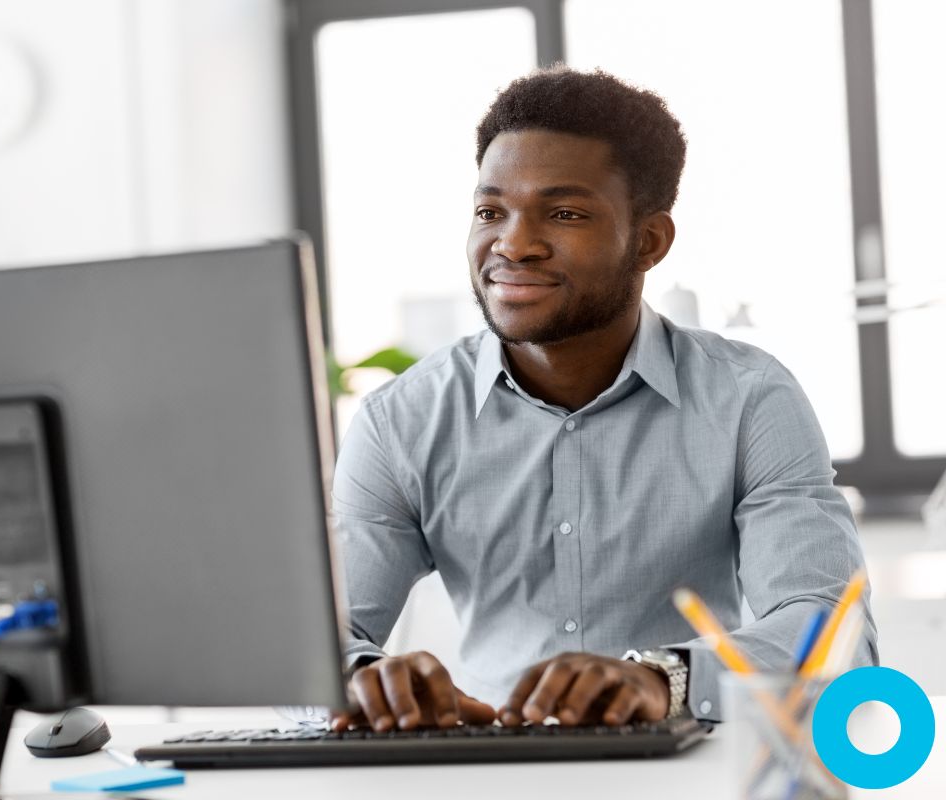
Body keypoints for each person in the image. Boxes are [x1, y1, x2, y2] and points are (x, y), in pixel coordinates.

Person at [328, 65, 879, 733]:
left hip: (692, 774)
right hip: (492, 776)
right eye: (490, 210)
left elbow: (833, 630)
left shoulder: (749, 400)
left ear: (649, 241)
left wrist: (663, 678)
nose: (513, 243)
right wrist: (362, 678)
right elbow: (322, 637)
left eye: (563, 213)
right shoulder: (400, 421)